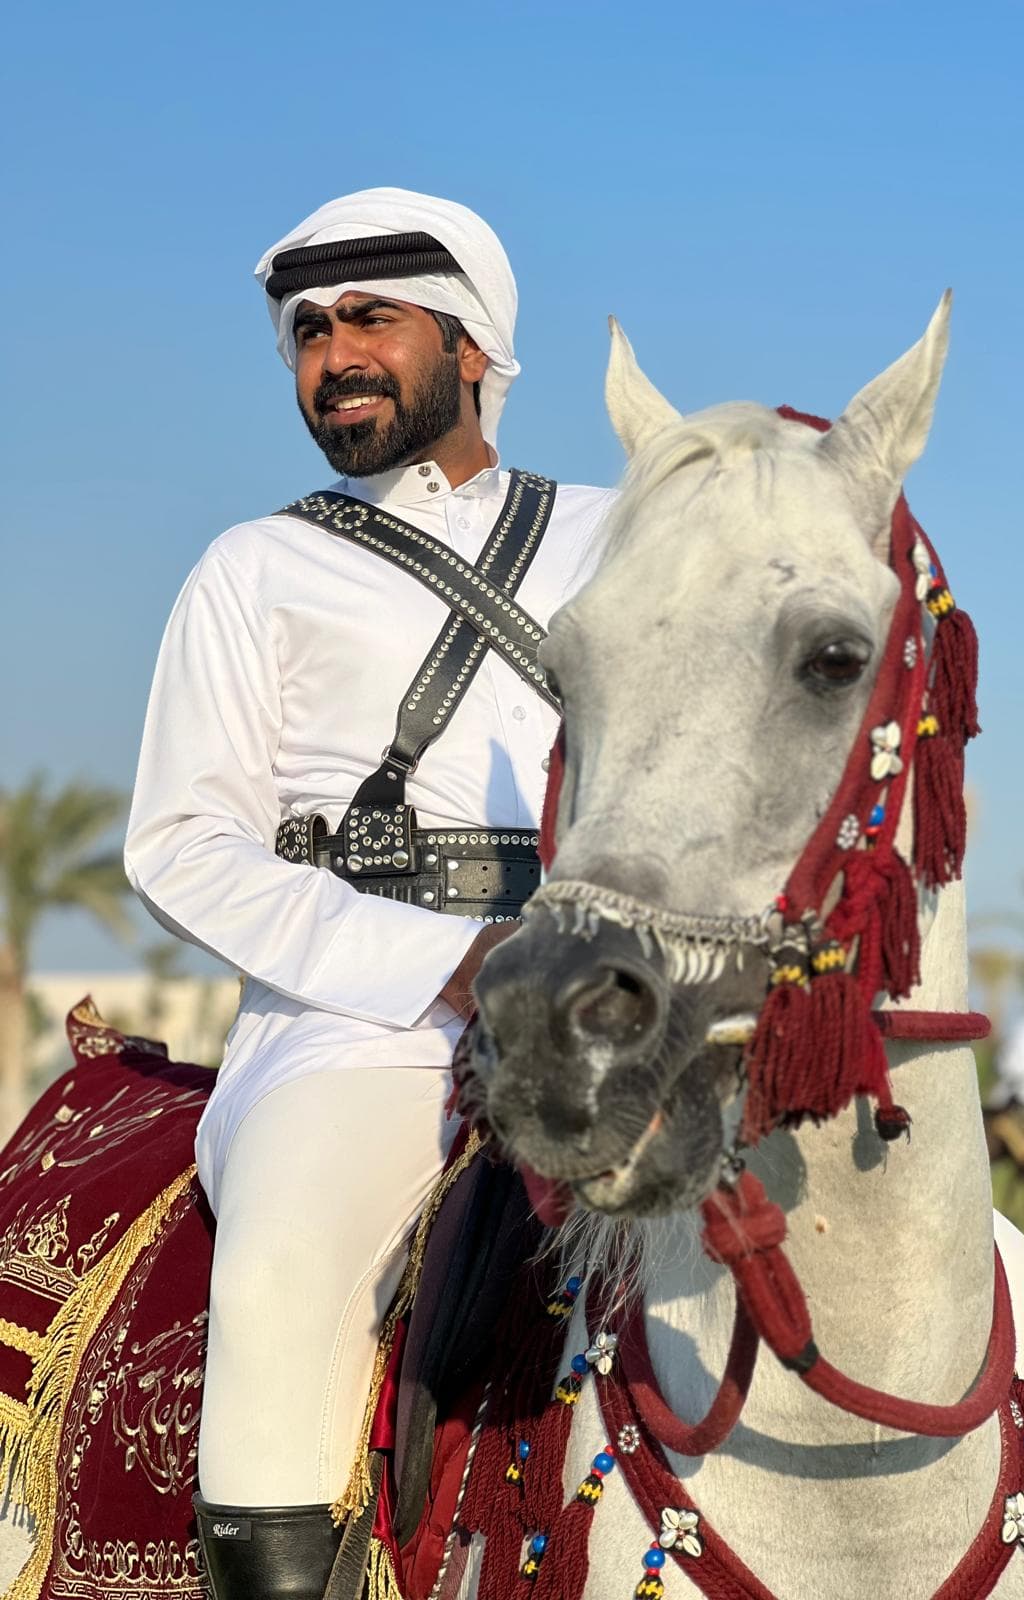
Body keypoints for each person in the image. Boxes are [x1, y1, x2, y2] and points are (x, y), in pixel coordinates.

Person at [124, 186, 615, 1599]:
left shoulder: (625, 532)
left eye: (370, 319)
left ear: (473, 349)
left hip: (617, 1001)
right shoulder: (252, 568)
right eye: (307, 331)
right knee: (285, 1275)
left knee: (1002, 1275)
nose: (332, 353)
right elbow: (183, 844)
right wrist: (447, 970)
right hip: (360, 1024)